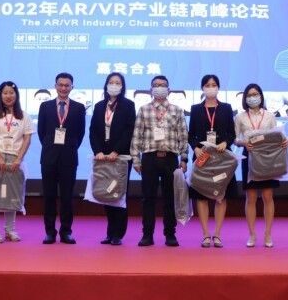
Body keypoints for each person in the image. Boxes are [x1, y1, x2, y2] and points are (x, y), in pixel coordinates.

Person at [131, 75, 189, 247]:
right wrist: (136, 159)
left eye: (163, 85)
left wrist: (184, 158)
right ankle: (147, 235)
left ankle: (170, 234)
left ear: (169, 90)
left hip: (170, 158)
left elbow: (183, 135)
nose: (159, 88)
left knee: (170, 198)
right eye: (156, 85)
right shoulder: (144, 109)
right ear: (151, 90)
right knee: (148, 198)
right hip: (149, 158)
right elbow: (137, 135)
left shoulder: (177, 110)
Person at [235, 83, 288, 248]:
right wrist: (244, 143)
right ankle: (252, 234)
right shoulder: (240, 117)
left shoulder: (269, 115)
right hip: (249, 157)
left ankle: (268, 234)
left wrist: (285, 140)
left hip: (268, 157)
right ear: (245, 98)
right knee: (251, 197)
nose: (253, 97)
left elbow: (277, 136)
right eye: (250, 95)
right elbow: (235, 139)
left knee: (267, 196)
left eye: (256, 94)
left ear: (261, 96)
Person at [0, 81, 34, 243]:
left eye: (11, 92)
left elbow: (27, 138)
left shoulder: (24, 116)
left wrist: (19, 159)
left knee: (12, 195)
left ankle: (10, 230)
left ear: (16, 95)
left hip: (15, 160)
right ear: (0, 95)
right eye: (5, 93)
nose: (8, 96)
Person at [38, 72, 86, 244]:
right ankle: (50, 232)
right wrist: (51, 147)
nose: (63, 88)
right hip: (49, 158)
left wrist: (68, 148)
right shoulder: (45, 106)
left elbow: (80, 134)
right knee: (49, 197)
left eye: (67, 85)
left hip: (69, 158)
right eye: (61, 85)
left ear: (72, 87)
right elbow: (41, 132)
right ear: (55, 86)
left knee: (67, 197)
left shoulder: (79, 108)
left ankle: (66, 232)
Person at [188, 75, 235, 248]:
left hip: (222, 158)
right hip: (203, 157)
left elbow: (232, 133)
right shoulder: (195, 109)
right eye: (207, 85)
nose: (211, 88)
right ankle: (206, 234)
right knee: (201, 196)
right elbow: (191, 134)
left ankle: (217, 234)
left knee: (220, 196)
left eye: (214, 85)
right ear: (202, 88)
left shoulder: (226, 108)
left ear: (218, 88)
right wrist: (195, 147)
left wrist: (226, 143)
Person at [89, 72, 136, 246]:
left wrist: (117, 150)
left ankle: (118, 234)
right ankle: (109, 232)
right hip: (103, 157)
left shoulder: (128, 105)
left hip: (120, 156)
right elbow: (93, 130)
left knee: (119, 193)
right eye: (111, 82)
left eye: (118, 82)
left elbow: (129, 130)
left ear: (122, 87)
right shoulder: (99, 106)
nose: (114, 85)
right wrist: (98, 151)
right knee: (106, 192)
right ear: (106, 85)